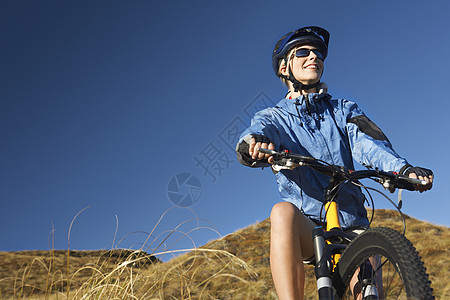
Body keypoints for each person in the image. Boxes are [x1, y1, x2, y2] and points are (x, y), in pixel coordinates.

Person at [235, 26, 433, 300]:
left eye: (318, 53)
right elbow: (258, 132)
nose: (313, 56)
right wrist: (254, 144)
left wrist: (403, 170)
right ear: (284, 68)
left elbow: (368, 144)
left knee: (370, 282)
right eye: (302, 52)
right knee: (282, 212)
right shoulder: (274, 117)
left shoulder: (344, 110)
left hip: (352, 223)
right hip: (309, 224)